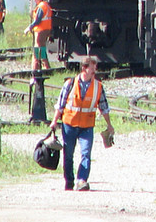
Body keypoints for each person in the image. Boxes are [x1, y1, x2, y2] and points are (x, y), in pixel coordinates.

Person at [49, 57, 115, 191]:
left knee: (86, 154)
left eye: (95, 67)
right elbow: (60, 105)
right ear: (84, 68)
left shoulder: (98, 86)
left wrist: (109, 125)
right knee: (68, 155)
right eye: (92, 67)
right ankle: (69, 181)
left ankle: (82, 180)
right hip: (69, 125)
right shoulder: (70, 84)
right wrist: (54, 121)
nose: (94, 70)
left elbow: (104, 107)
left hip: (87, 126)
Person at [24, 0, 52, 71]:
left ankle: (37, 68)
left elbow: (38, 20)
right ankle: (43, 67)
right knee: (41, 49)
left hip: (41, 30)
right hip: (45, 29)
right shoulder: (45, 5)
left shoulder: (41, 7)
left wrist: (29, 27)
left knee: (38, 49)